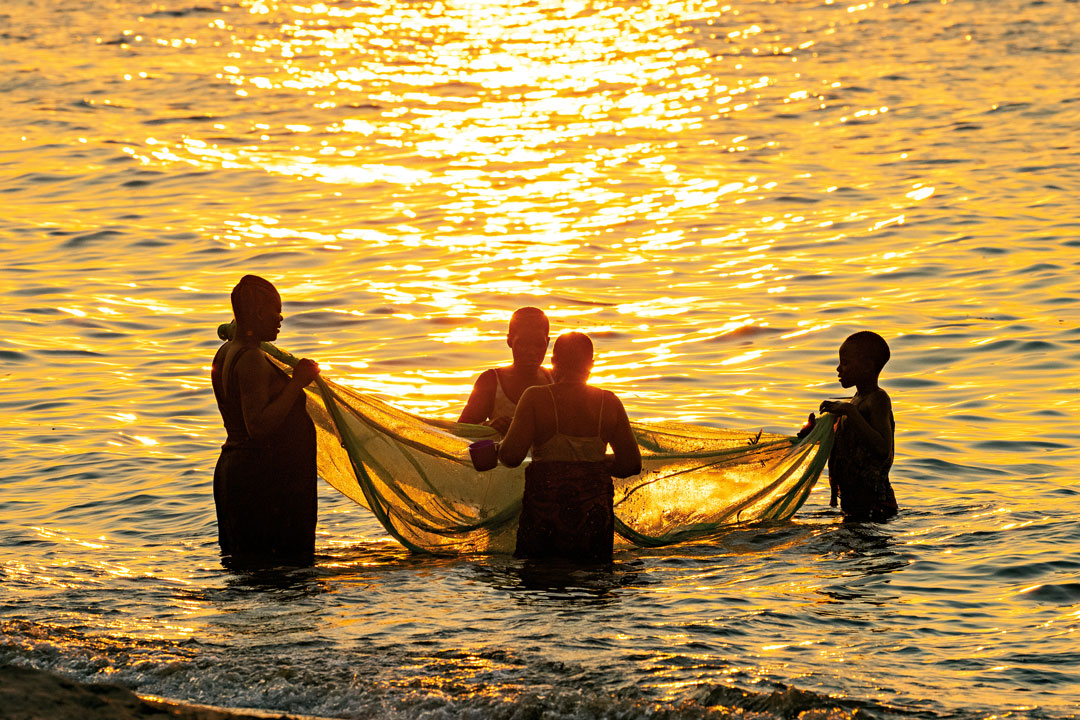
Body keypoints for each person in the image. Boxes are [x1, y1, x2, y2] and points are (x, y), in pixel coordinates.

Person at [497, 332, 642, 563]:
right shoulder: (609, 402)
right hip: (593, 523)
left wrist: (497, 448)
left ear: (554, 362)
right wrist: (598, 463)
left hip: (545, 519)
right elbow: (632, 463)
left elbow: (512, 456)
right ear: (591, 365)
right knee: (593, 580)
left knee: (540, 581)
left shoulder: (535, 397)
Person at [210, 275, 321, 567]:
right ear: (259, 313)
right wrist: (297, 383)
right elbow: (257, 427)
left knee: (248, 573)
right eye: (276, 311)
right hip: (258, 480)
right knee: (280, 574)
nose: (281, 318)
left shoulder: (226, 351)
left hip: (234, 472)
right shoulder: (250, 359)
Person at [807, 331, 898, 522]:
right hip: (853, 507)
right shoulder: (854, 402)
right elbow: (847, 447)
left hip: (877, 508)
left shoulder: (877, 399)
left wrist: (849, 411)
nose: (838, 369)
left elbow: (882, 449)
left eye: (846, 363)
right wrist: (814, 433)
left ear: (867, 366)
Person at [458, 307, 553, 435]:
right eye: (523, 343)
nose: (531, 352)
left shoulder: (555, 380)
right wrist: (489, 425)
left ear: (547, 343)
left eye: (538, 344)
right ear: (509, 341)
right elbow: (461, 431)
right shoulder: (491, 382)